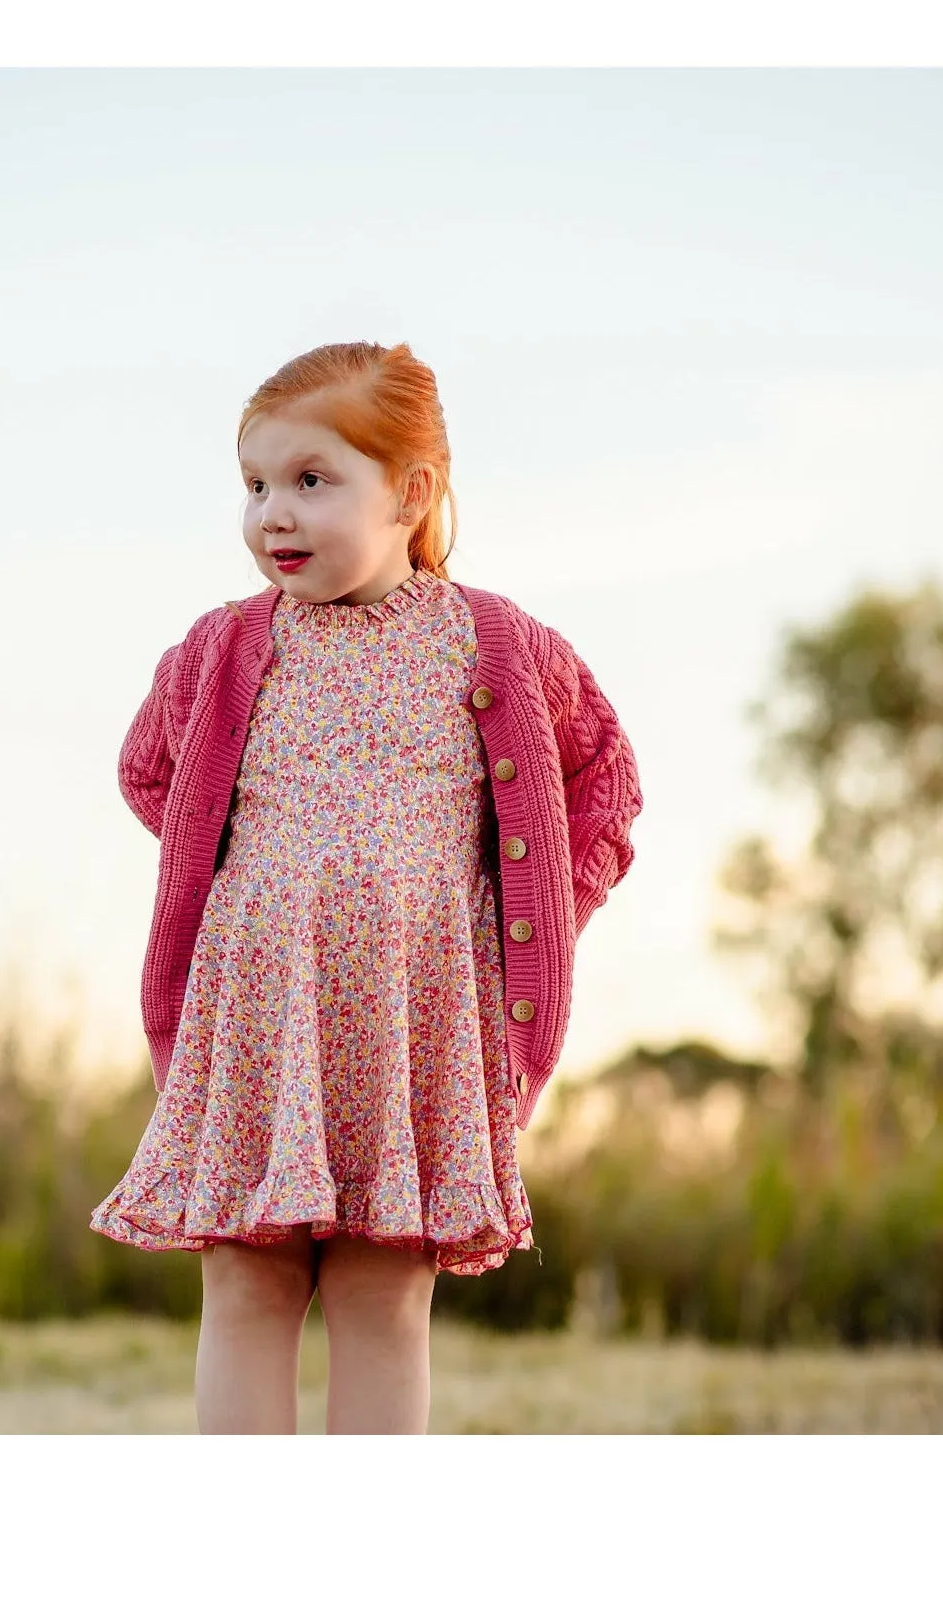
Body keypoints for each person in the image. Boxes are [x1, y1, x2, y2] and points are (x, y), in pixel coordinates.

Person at [91, 341, 643, 1434]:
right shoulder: (224, 648)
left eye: (310, 480)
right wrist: (255, 874)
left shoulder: (496, 646)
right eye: (254, 485)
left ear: (410, 491)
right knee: (246, 1280)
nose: (272, 516)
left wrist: (518, 923)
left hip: (417, 1015)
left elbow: (603, 788)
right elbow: (152, 770)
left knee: (379, 1290)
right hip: (261, 1011)